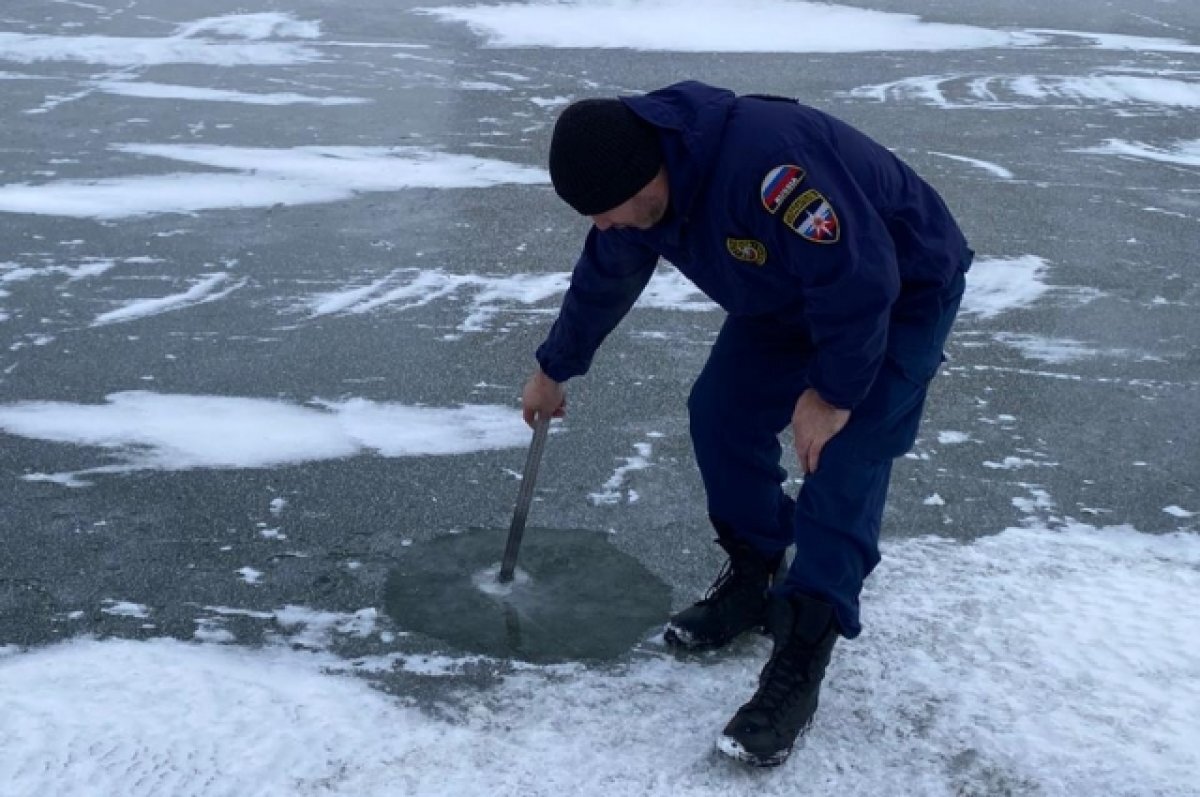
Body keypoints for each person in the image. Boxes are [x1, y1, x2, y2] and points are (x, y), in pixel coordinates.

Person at [521, 80, 971, 767]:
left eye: (603, 210)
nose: (603, 224)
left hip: (899, 288)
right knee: (721, 412)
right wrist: (555, 367)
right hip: (793, 290)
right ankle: (758, 566)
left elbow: (862, 278)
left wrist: (833, 390)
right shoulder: (644, 195)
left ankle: (803, 644)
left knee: (845, 454)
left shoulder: (768, 169)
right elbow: (606, 270)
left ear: (644, 179)